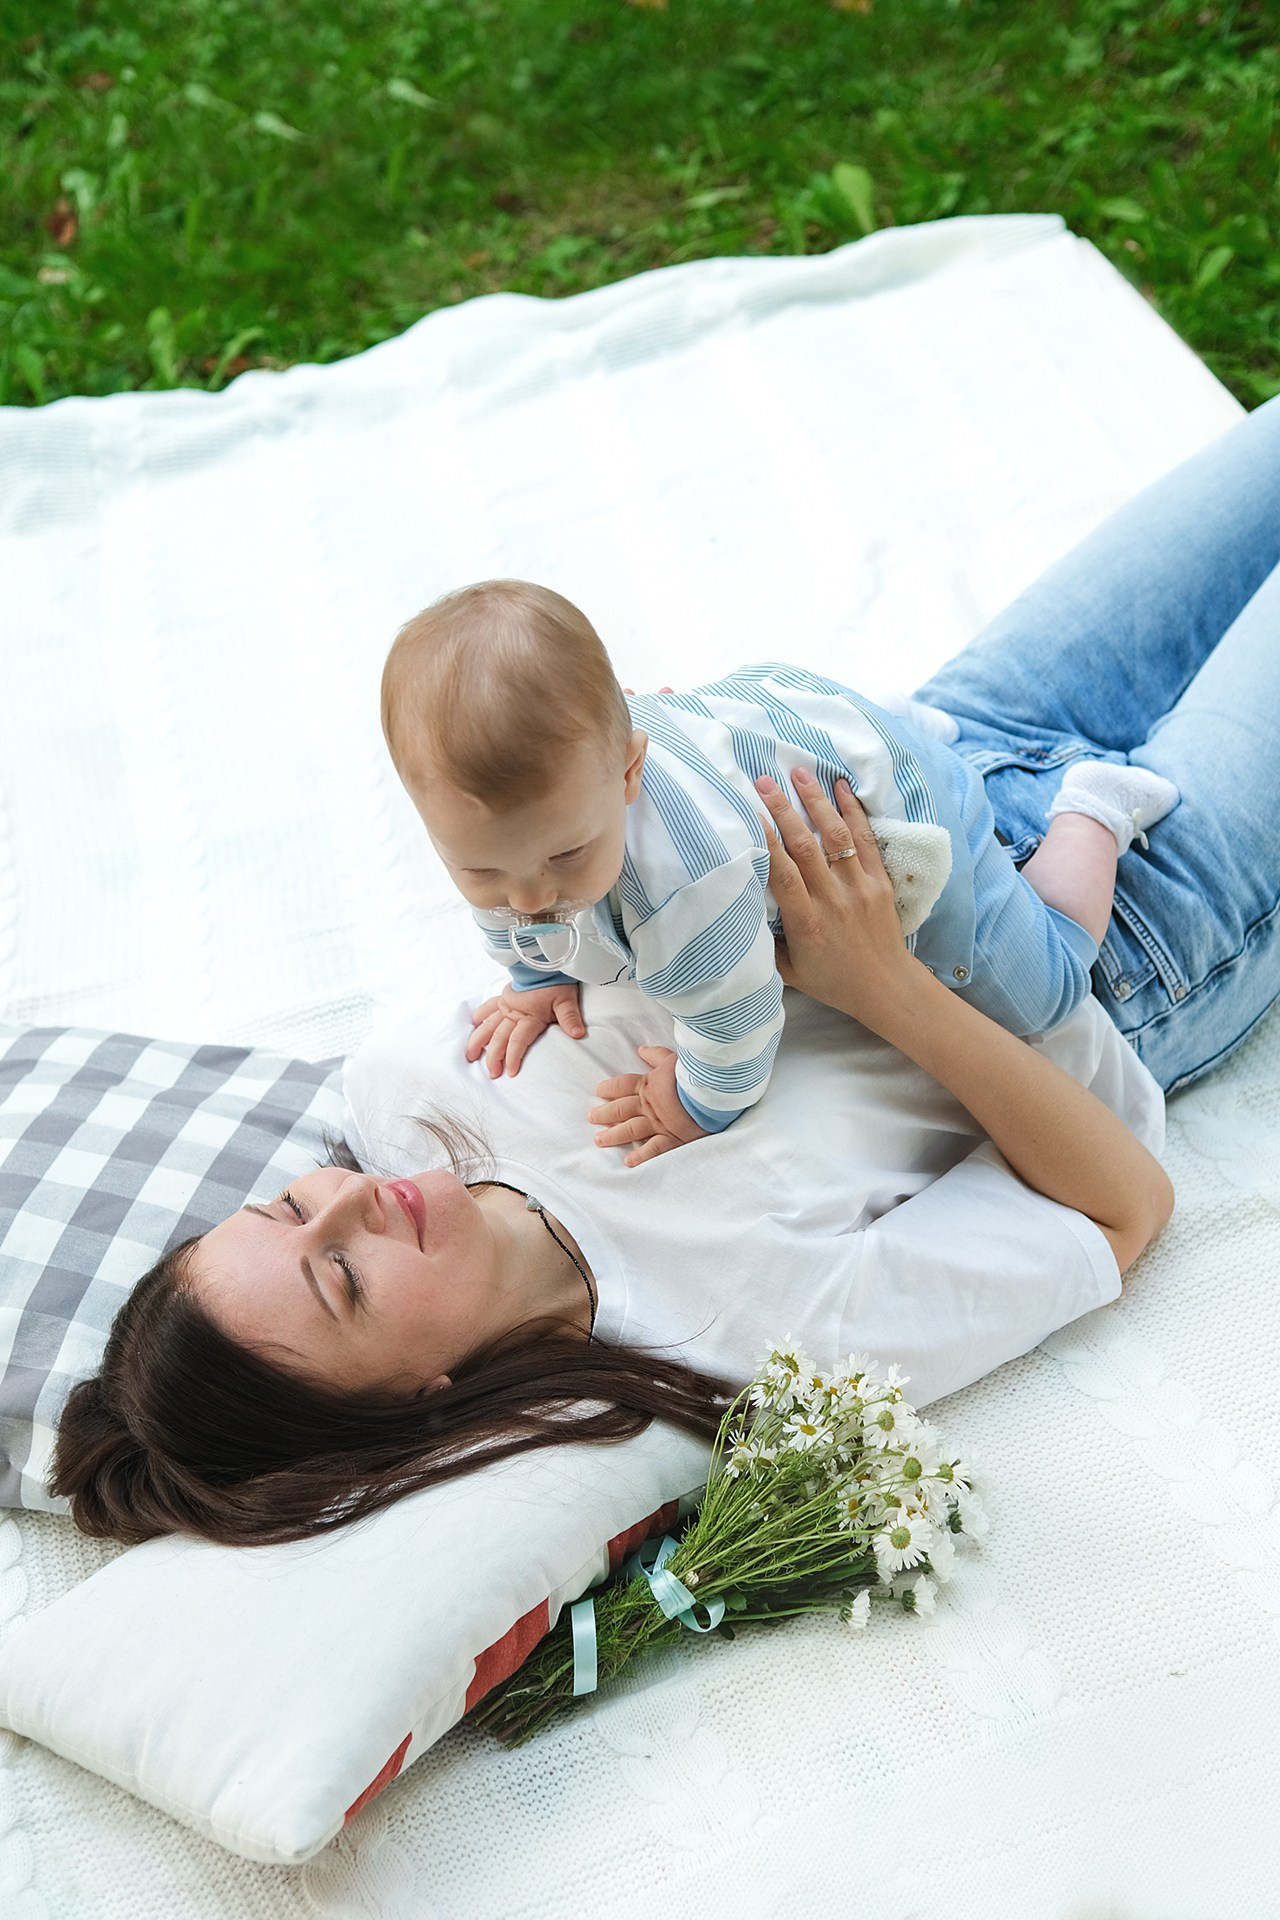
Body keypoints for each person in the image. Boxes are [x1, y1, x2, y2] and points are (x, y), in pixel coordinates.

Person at [51, 394, 1280, 1553]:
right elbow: (1121, 1209)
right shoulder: (744, 1330)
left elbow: (568, 889)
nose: (353, 1199)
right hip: (1120, 949)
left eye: (286, 1205)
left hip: (920, 757)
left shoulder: (407, 1090)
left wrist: (665, 753)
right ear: (410, 1398)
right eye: (340, 1276)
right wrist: (879, 987)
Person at [380, 584, 1178, 1163]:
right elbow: (516, 917)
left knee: (1049, 994)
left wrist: (693, 1103)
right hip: (777, 720)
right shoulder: (540, 812)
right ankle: (885, 721)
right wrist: (532, 978)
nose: (528, 897)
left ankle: (1091, 810)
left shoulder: (688, 885)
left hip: (898, 802)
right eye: (479, 869)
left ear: (629, 772)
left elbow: (739, 1022)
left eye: (565, 858)